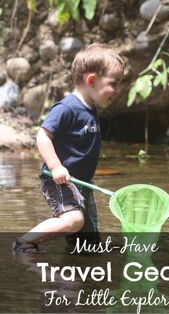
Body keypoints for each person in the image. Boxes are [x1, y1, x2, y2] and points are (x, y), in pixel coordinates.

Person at [12, 43, 125, 254]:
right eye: (114, 83)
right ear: (91, 80)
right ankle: (24, 242)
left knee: (88, 245)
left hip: (82, 183)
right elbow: (43, 135)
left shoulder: (90, 108)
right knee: (73, 220)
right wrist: (56, 167)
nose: (118, 90)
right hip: (59, 180)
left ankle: (79, 258)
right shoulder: (67, 107)